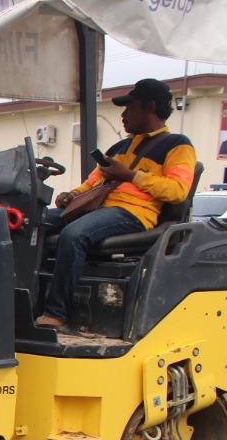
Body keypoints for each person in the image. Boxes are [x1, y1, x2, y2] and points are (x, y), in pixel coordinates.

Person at [34, 78, 197, 331]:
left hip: (133, 213)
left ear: (150, 107)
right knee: (32, 222)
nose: (123, 115)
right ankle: (28, 299)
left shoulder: (177, 145)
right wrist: (71, 194)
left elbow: (177, 191)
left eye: (130, 108)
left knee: (74, 234)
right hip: (97, 209)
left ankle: (56, 315)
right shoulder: (120, 147)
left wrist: (130, 175)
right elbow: (92, 183)